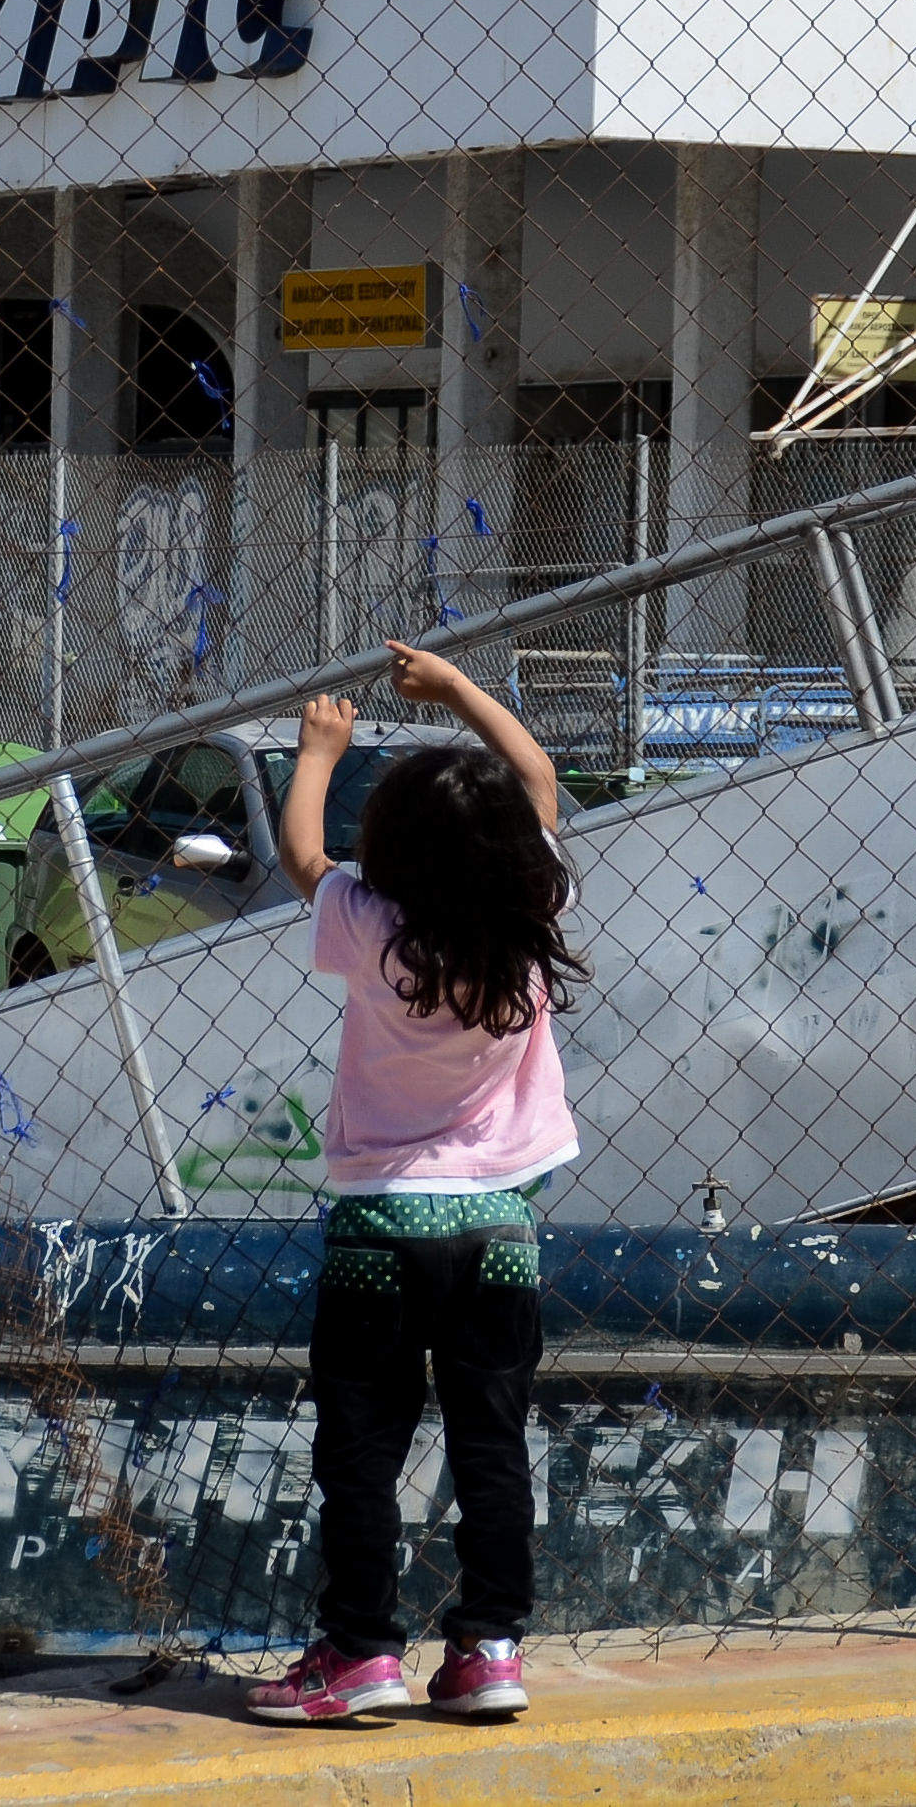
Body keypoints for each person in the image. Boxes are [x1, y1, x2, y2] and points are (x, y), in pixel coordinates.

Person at [246, 639, 586, 1727]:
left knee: (362, 1448)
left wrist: (318, 749)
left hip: (380, 1227)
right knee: (490, 1441)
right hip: (499, 1226)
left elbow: (302, 854)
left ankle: (359, 1655)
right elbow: (534, 781)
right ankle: (488, 1649)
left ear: (391, 845)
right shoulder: (529, 922)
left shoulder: (370, 927)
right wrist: (455, 692)